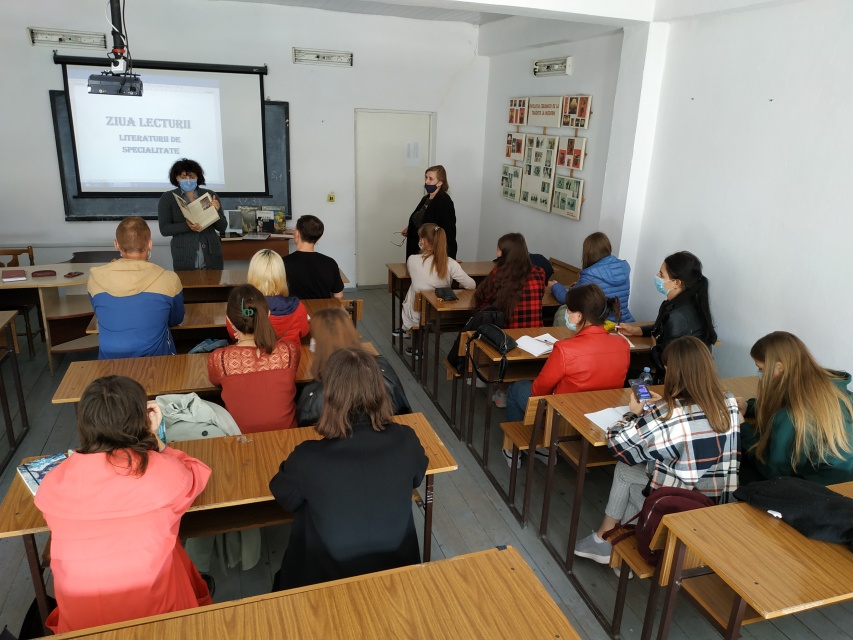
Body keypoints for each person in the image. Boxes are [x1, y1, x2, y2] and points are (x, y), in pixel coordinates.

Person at [34, 375, 212, 633]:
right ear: (142, 419)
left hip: (81, 622)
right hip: (157, 616)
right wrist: (156, 441)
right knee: (171, 549)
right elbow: (196, 473)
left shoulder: (54, 481)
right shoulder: (162, 472)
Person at [270, 347, 428, 589]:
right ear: (380, 389)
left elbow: (283, 494)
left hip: (327, 582)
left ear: (328, 396)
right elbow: (417, 477)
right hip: (397, 573)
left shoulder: (307, 458)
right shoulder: (406, 440)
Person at [573, 337, 740, 565]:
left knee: (626, 472)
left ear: (673, 371)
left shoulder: (668, 413)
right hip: (716, 503)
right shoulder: (728, 402)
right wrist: (665, 406)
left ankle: (606, 540)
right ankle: (613, 550)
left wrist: (633, 413)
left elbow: (619, 445)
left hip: (678, 504)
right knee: (635, 482)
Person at [504, 285, 630, 465]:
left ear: (579, 316)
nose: (566, 314)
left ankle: (513, 449)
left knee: (516, 388)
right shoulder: (622, 344)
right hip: (601, 417)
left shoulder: (565, 349)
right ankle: (542, 448)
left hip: (564, 420)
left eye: (569, 311)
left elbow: (539, 390)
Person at [738, 331, 853, 485]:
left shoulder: (791, 417)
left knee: (739, 469)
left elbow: (773, 471)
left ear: (779, 367)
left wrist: (743, 428)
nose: (761, 375)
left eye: (761, 369)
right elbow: (783, 402)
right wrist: (750, 406)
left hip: (820, 486)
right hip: (845, 474)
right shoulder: (833, 388)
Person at [88, 216, 184, 359]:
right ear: (150, 244)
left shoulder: (95, 278)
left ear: (116, 245)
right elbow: (175, 319)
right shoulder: (169, 279)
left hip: (109, 362)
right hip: (157, 361)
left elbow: (100, 314)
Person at [207, 285, 300, 432]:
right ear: (268, 314)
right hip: (287, 435)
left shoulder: (220, 359)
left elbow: (215, 381)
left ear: (229, 320)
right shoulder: (289, 351)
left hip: (240, 438)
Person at [297, 307, 411, 426]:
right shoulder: (383, 368)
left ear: (319, 343)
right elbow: (405, 412)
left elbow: (303, 430)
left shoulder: (314, 396)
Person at [474, 233, 547, 407]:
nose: (496, 252)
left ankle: (495, 384)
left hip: (508, 340)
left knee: (483, 326)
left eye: (499, 249)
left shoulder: (498, 274)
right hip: (536, 336)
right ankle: (502, 389)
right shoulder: (539, 273)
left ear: (505, 253)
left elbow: (482, 300)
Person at [617, 251, 715, 378]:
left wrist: (653, 346)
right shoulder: (685, 302)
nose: (657, 276)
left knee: (621, 372)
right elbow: (663, 327)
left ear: (677, 282)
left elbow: (664, 363)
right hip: (685, 374)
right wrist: (637, 330)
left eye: (661, 275)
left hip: (679, 379)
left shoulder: (678, 315)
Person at [394, 223, 475, 341]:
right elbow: (472, 285)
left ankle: (408, 332)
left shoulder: (412, 260)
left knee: (414, 287)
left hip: (417, 315)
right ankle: (411, 336)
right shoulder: (451, 263)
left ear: (422, 240)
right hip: (441, 315)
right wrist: (459, 282)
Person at [549, 232, 635, 325]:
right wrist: (579, 285)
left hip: (602, 325)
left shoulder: (589, 274)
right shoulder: (622, 268)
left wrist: (555, 286)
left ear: (587, 253)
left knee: (561, 313)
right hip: (625, 323)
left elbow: (569, 299)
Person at [225, 249, 309, 344]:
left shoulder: (241, 308)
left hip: (254, 353)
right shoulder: (298, 307)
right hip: (290, 353)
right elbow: (304, 332)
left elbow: (233, 334)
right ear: (282, 276)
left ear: (252, 274)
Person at [157, 158, 227, 271]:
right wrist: (187, 225)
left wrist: (216, 211)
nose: (188, 180)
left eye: (192, 176)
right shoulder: (168, 198)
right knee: (187, 282)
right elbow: (164, 229)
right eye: (184, 177)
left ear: (198, 177)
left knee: (214, 282)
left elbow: (222, 227)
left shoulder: (209, 195)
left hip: (212, 255)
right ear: (176, 178)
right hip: (184, 256)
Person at [282, 215, 344, 299]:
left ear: (297, 233)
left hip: (293, 307)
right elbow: (339, 296)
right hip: (323, 308)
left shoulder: (282, 263)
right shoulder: (330, 263)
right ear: (318, 238)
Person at [402, 165, 457, 260]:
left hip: (431, 254)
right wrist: (410, 228)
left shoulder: (445, 202)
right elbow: (422, 218)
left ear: (440, 183)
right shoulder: (426, 198)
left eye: (430, 179)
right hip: (416, 249)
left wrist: (449, 259)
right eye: (426, 177)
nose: (426, 181)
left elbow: (448, 233)